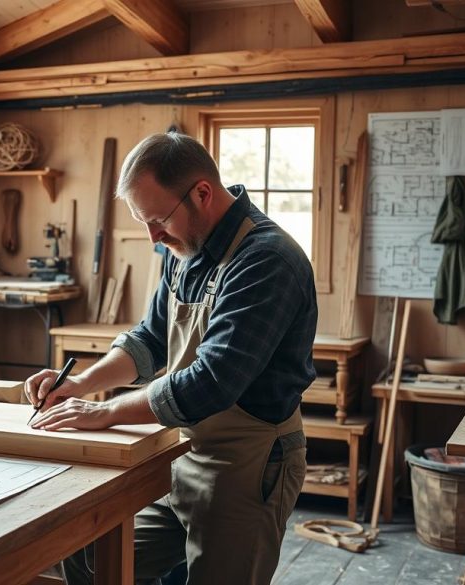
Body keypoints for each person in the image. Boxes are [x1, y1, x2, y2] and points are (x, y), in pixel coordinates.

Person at [25, 131, 317, 585]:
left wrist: (106, 412)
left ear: (202, 193)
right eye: (144, 222)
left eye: (158, 219)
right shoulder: (186, 248)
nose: (153, 237)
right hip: (183, 450)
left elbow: (211, 381)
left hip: (250, 462)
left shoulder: (267, 260)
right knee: (87, 558)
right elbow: (149, 338)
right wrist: (82, 383)